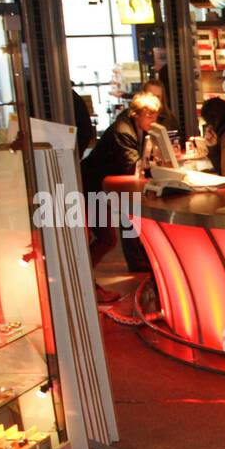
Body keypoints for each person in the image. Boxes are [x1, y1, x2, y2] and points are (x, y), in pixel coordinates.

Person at [80, 91, 161, 301]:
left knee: (106, 238)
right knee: (106, 239)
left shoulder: (132, 127)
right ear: (137, 114)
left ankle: (83, 280)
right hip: (91, 186)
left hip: (97, 187)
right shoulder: (123, 131)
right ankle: (82, 281)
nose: (154, 121)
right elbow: (132, 163)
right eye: (150, 116)